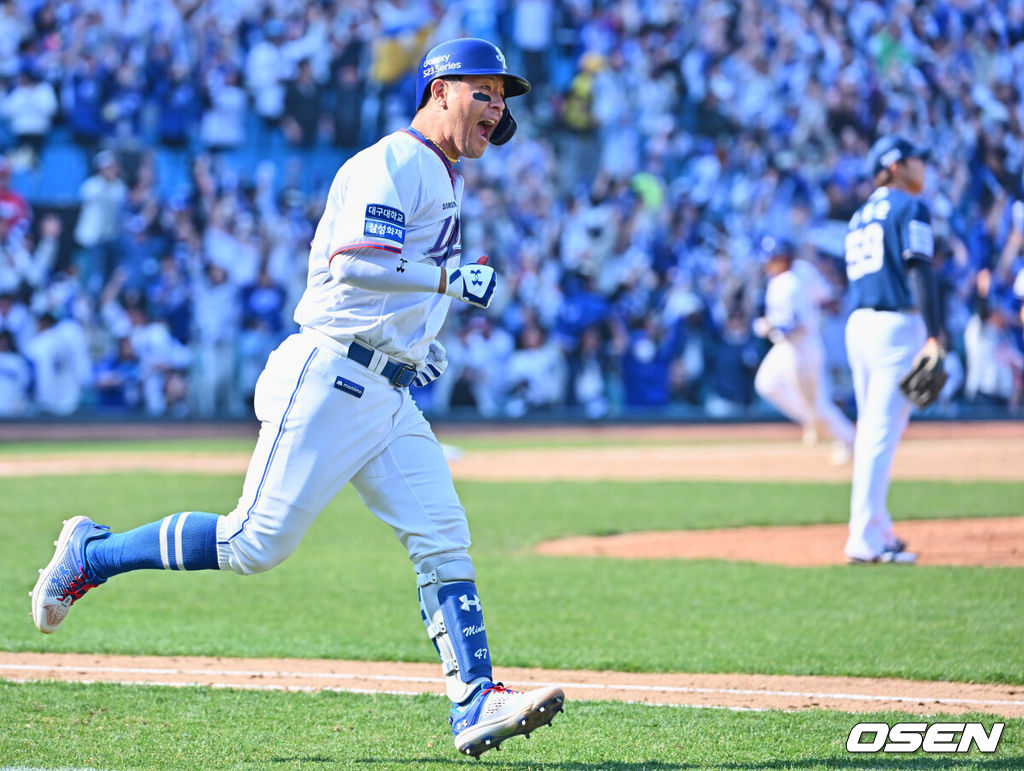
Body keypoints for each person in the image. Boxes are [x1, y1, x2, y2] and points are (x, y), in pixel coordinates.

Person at [30, 38, 563, 759]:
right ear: (440, 91)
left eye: (502, 98)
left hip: (387, 389)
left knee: (443, 534)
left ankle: (474, 698)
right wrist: (446, 285)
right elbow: (355, 263)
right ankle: (92, 552)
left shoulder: (444, 175)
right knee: (253, 543)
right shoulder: (393, 161)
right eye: (484, 92)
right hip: (331, 374)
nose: (496, 108)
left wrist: (418, 339)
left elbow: (387, 283)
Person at [842, 136, 945, 565]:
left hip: (860, 325)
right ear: (896, 165)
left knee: (872, 429)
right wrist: (936, 334)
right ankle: (863, 540)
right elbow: (918, 267)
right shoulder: (909, 206)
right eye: (917, 159)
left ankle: (879, 527)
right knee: (878, 435)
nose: (923, 166)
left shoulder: (858, 216)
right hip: (894, 325)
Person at [753, 238, 855, 464]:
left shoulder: (788, 284)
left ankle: (847, 439)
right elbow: (826, 296)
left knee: (817, 402)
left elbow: (792, 327)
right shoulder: (802, 270)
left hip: (800, 349)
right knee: (766, 383)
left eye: (772, 258)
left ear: (781, 258)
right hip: (791, 346)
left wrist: (768, 325)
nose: (768, 263)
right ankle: (812, 421)